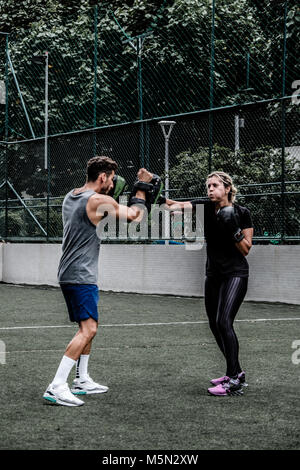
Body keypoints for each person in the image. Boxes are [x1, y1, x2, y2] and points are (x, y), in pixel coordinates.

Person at [43, 156, 153, 406]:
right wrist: (141, 187)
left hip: (72, 272)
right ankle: (57, 385)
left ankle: (82, 380)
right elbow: (136, 216)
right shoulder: (99, 200)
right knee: (88, 329)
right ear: (102, 176)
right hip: (80, 274)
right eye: (112, 179)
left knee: (90, 325)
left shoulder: (71, 195)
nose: (113, 184)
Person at [160, 171, 254, 396]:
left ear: (227, 188)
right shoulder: (204, 206)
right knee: (214, 323)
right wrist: (153, 196)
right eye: (208, 186)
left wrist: (234, 230)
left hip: (235, 274)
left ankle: (233, 381)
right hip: (213, 274)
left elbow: (247, 249)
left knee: (224, 321)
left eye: (215, 185)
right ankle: (236, 372)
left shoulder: (242, 213)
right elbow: (175, 205)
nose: (210, 189)